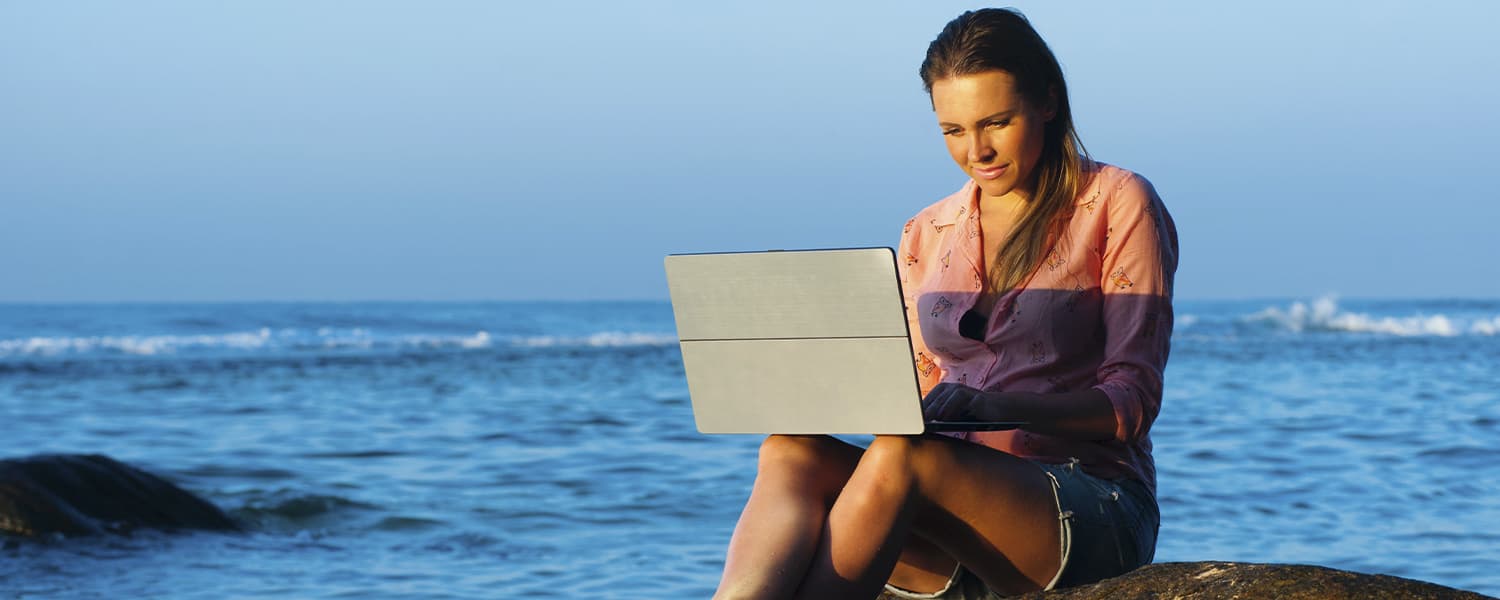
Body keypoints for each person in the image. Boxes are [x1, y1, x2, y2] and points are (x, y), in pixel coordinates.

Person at [711, 8, 1177, 599]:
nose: (976, 150)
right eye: (953, 131)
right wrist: (830, 390)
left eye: (996, 123)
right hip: (942, 515)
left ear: (1049, 102)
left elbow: (1129, 404)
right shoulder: (927, 230)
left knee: (902, 460)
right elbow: (917, 387)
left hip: (1083, 504)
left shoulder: (1118, 201)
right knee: (789, 450)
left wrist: (994, 408)